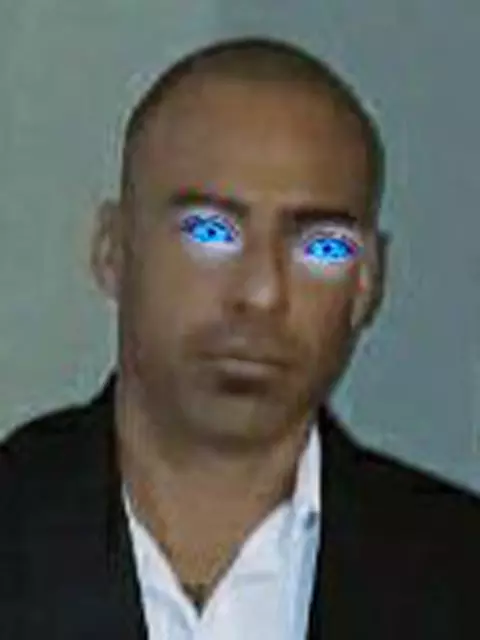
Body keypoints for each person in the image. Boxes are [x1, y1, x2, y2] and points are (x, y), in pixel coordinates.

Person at [1, 36, 479, 640]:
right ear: (112, 250)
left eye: (320, 246)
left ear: (367, 283)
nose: (262, 292)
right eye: (210, 231)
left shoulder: (459, 576)